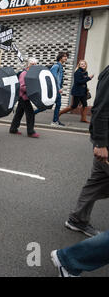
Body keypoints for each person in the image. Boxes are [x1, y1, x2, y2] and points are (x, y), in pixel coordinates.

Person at [64, 65, 109, 238]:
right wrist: (100, 142)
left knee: (97, 182)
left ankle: (78, 219)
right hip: (105, 141)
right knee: (97, 182)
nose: (83, 66)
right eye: (81, 64)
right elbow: (101, 109)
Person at [35, 52, 68, 126]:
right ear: (60, 57)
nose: (66, 58)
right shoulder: (56, 66)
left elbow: (59, 79)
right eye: (64, 56)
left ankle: (32, 114)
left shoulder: (60, 66)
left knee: (50, 105)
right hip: (55, 89)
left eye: (66, 56)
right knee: (53, 104)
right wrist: (58, 88)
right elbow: (53, 78)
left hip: (56, 89)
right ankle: (54, 121)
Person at [9, 57, 40, 138]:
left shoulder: (30, 73)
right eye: (33, 64)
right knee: (30, 114)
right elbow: (21, 86)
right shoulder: (24, 73)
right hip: (23, 96)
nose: (35, 66)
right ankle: (31, 132)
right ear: (29, 65)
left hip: (25, 96)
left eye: (35, 64)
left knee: (19, 113)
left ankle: (13, 129)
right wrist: (32, 88)